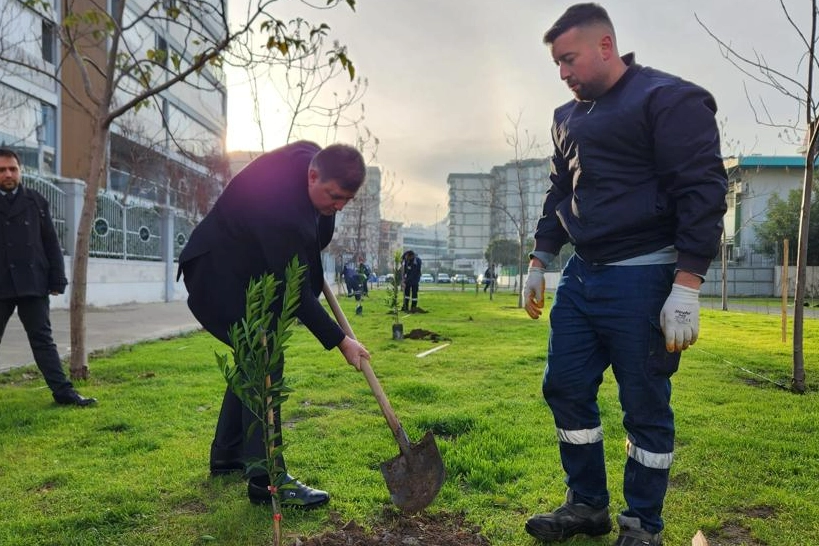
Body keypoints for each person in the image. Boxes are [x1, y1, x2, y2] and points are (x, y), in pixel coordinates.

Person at [522, 5, 727, 545]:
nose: (563, 72)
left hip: (646, 278)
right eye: (556, 64)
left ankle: (642, 526)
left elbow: (703, 192)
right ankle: (586, 504)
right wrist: (540, 258)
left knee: (644, 403)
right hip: (582, 278)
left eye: (569, 59)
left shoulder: (668, 99)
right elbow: (558, 191)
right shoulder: (567, 117)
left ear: (606, 46)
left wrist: (687, 285)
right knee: (564, 387)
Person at [178, 141, 370, 509]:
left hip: (246, 270)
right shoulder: (281, 209)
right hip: (215, 275)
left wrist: (323, 212)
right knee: (263, 354)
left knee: (254, 355)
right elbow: (294, 292)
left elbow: (317, 233)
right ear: (312, 176)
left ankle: (227, 454)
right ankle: (268, 480)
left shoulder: (309, 158)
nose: (339, 206)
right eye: (333, 196)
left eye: (345, 200)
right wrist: (341, 340)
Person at [0, 149, 96, 407]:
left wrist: (57, 279)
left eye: (12, 169)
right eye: (2, 170)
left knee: (43, 341)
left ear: (20, 171)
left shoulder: (36, 201)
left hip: (33, 282)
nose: (8, 174)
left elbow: (50, 243)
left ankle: (64, 393)